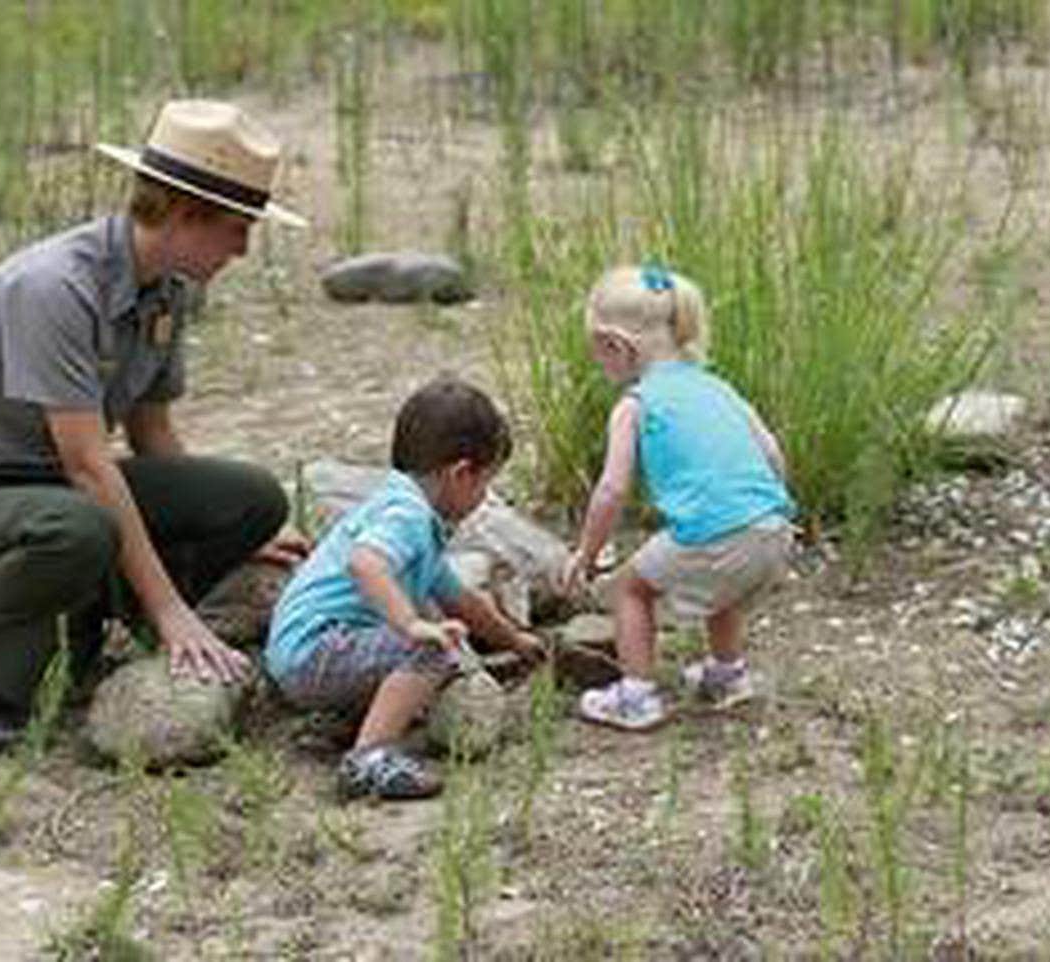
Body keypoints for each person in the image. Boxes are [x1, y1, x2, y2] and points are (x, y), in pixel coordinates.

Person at [0, 100, 310, 753]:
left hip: (49, 488)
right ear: (186, 216)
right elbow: (87, 464)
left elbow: (151, 434)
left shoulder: (163, 287)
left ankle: (99, 619)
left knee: (250, 497)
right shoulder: (55, 287)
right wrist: (172, 610)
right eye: (237, 228)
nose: (243, 250)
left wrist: (240, 529)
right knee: (80, 526)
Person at [265, 376, 545, 800]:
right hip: (316, 651)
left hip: (298, 653)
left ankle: (348, 723)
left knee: (436, 633)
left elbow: (460, 599)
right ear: (461, 473)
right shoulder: (408, 515)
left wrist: (516, 640)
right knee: (434, 648)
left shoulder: (402, 508)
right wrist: (412, 625)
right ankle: (367, 759)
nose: (483, 497)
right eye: (484, 486)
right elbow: (365, 563)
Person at [560, 263, 795, 732]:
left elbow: (611, 489)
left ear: (615, 346)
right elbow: (771, 450)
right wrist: (774, 509)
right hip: (773, 527)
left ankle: (636, 696)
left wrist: (586, 554)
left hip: (717, 534)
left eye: (596, 352)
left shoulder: (635, 405)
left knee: (630, 587)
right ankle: (727, 675)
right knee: (722, 590)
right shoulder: (719, 388)